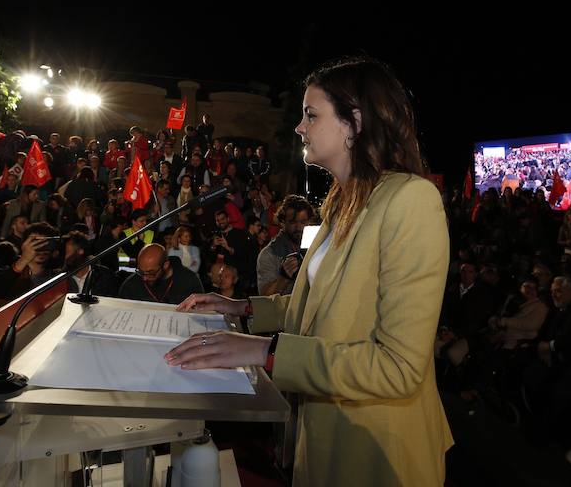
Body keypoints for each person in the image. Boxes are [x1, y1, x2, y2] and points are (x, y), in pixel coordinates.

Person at [171, 56, 452, 486]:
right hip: (323, 428)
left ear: (354, 122)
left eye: (311, 114)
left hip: (378, 448)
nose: (300, 127)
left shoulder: (411, 201)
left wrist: (263, 352)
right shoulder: (340, 201)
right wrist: (242, 307)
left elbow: (397, 368)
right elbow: (314, 303)